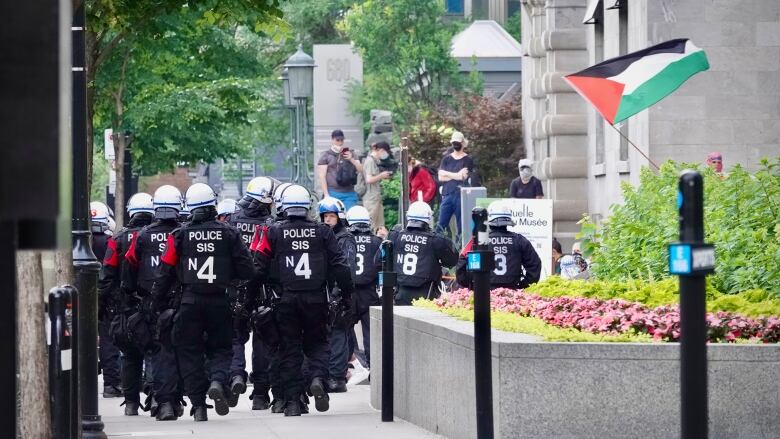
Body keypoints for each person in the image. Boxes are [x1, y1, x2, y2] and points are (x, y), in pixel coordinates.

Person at [150, 183, 256, 421]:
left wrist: (156, 303)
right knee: (221, 348)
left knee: (189, 353)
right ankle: (218, 380)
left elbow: (164, 271)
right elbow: (248, 269)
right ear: (212, 204)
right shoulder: (229, 233)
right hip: (220, 300)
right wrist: (230, 281)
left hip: (188, 302)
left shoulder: (179, 235)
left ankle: (198, 406)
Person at [251, 184, 354, 416]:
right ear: (308, 207)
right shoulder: (323, 231)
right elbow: (341, 266)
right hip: (317, 299)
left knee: (289, 349)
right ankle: (317, 378)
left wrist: (250, 299)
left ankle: (293, 403)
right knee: (318, 344)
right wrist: (347, 295)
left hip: (284, 300)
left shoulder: (273, 232)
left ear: (283, 206)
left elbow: (258, 268)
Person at [123, 185, 186, 420]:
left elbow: (129, 267)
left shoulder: (142, 236)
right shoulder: (184, 232)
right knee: (181, 352)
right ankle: (177, 399)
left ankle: (165, 402)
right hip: (182, 301)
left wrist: (130, 296)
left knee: (160, 353)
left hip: (151, 302)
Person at [98, 192, 155, 413]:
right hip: (154, 302)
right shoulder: (159, 234)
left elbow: (107, 273)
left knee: (130, 354)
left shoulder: (118, 238)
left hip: (124, 305)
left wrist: (102, 305)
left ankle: (131, 403)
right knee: (154, 349)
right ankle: (156, 398)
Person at [227, 177, 276, 410]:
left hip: (234, 289)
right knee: (262, 340)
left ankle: (236, 374)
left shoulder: (232, 220)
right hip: (262, 290)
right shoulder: (270, 223)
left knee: (235, 336)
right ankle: (259, 395)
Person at [381, 201, 458, 305]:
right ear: (429, 218)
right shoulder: (437, 240)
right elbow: (452, 261)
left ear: (408, 216)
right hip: (427, 295)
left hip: (399, 294)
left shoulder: (395, 236)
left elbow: (379, 260)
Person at [455, 200, 542, 289]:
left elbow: (461, 265)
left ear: (489, 219)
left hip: (484, 293)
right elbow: (535, 264)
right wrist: (523, 286)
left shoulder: (479, 241)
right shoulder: (520, 240)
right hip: (513, 293)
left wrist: (473, 286)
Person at [318, 197, 356, 394]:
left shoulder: (345, 238)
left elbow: (346, 268)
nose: (327, 220)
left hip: (338, 293)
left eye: (331, 216)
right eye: (325, 216)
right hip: (321, 291)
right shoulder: (321, 236)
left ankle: (336, 378)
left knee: (339, 335)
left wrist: (339, 294)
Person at [91, 200, 122, 398]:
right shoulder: (110, 243)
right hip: (107, 297)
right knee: (108, 341)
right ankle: (111, 384)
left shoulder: (75, 242)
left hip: (78, 297)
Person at [346, 206, 382, 369]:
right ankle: (373, 367)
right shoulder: (377, 241)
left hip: (348, 292)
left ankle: (346, 366)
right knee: (371, 333)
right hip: (370, 293)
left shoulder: (344, 239)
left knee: (343, 330)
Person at [436, 131, 476, 238]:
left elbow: (463, 177)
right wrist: (456, 174)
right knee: (441, 224)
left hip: (460, 196)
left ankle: (460, 249)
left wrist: (447, 174)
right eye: (454, 142)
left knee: (461, 226)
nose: (455, 145)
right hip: (447, 195)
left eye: (457, 142)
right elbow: (440, 177)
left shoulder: (468, 160)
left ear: (463, 143)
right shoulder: (447, 159)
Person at [316, 129, 363, 210]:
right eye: (337, 140)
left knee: (349, 217)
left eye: (342, 140)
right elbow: (322, 176)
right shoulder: (326, 155)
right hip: (332, 192)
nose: (340, 142)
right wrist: (326, 195)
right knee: (334, 218)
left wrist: (351, 159)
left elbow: (361, 169)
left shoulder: (351, 153)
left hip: (349, 192)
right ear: (332, 140)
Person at [362, 141, 394, 228]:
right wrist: (381, 175)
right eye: (386, 152)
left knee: (379, 226)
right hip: (371, 199)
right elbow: (369, 179)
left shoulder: (375, 161)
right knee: (371, 225)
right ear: (381, 150)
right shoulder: (370, 161)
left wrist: (382, 176)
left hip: (375, 198)